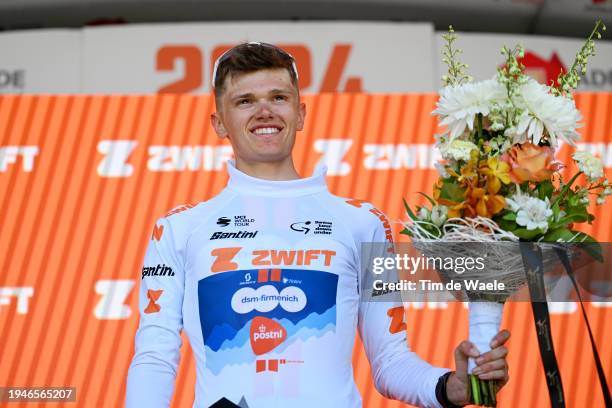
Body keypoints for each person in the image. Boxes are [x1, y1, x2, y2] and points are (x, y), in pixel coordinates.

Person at [125, 42, 510, 408]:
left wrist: (450, 386)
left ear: (301, 113)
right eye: (245, 101)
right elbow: (155, 357)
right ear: (219, 123)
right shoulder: (178, 229)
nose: (265, 112)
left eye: (278, 97)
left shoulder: (363, 222)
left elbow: (391, 362)